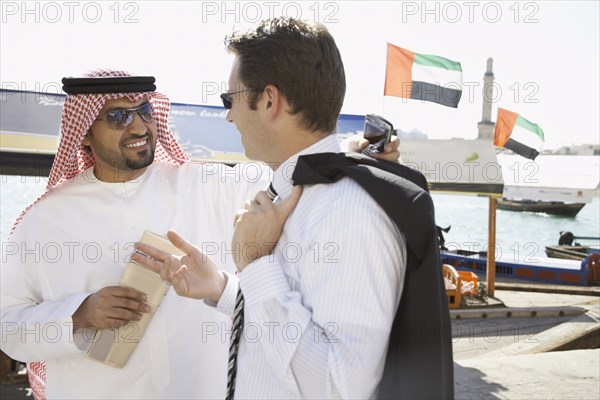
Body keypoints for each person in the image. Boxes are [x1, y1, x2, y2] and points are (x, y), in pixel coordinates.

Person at [0, 69, 399, 400]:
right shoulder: (44, 221)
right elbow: (7, 324)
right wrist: (79, 314)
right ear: (84, 132)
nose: (138, 125)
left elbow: (288, 180)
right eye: (119, 117)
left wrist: (351, 155)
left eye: (143, 111)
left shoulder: (203, 185)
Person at [133, 18, 452, 399]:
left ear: (270, 100)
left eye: (229, 100)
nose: (229, 116)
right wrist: (222, 287)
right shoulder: (298, 189)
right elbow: (291, 333)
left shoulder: (350, 211)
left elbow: (337, 388)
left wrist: (255, 264)